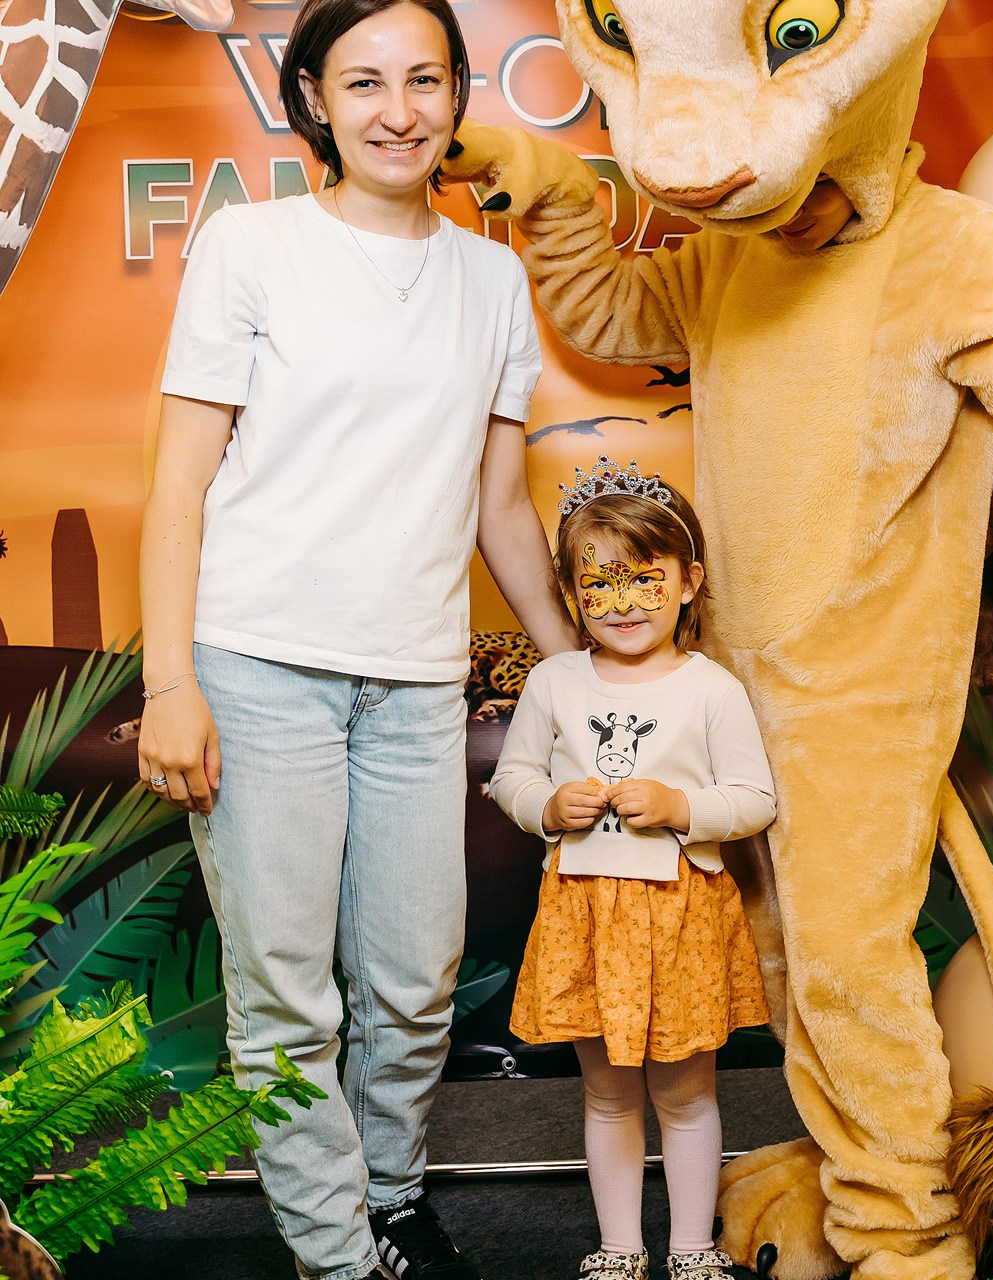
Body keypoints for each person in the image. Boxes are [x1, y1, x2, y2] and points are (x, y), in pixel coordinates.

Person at [135, 0, 577, 1276]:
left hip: (416, 679)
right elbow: (178, 485)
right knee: (285, 994)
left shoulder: (492, 277)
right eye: (367, 81)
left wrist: (566, 663)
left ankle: (389, 1198)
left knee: (412, 980)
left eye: (426, 80)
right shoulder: (251, 245)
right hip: (256, 663)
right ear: (315, 98)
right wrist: (173, 681)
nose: (400, 109)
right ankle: (335, 1255)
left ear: (454, 97)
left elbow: (499, 504)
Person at [489, 457, 776, 1280]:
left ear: (688, 583)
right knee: (608, 1094)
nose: (621, 605)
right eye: (598, 584)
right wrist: (546, 807)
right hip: (583, 910)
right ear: (573, 593)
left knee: (685, 1096)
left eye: (643, 581)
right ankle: (620, 1248)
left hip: (681, 912)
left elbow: (754, 797)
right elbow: (511, 778)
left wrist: (684, 810)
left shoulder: (712, 688)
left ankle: (691, 1250)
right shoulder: (552, 682)